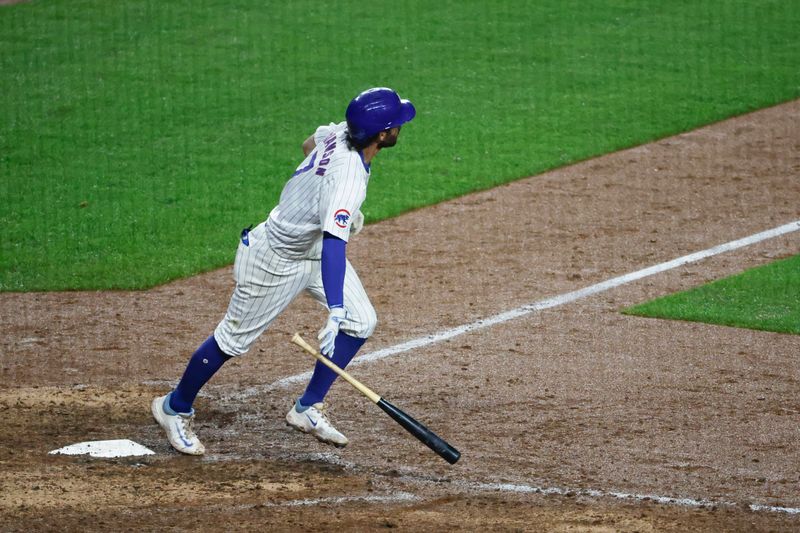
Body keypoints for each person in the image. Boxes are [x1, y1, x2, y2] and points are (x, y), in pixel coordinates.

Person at [151, 87, 416, 455]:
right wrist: (334, 309)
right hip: (274, 259)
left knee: (363, 322)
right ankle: (174, 408)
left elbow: (309, 145)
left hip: (311, 249)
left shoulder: (340, 132)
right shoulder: (350, 177)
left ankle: (307, 408)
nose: (402, 127)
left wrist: (325, 206)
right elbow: (336, 244)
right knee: (232, 341)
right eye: (397, 124)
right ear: (383, 134)